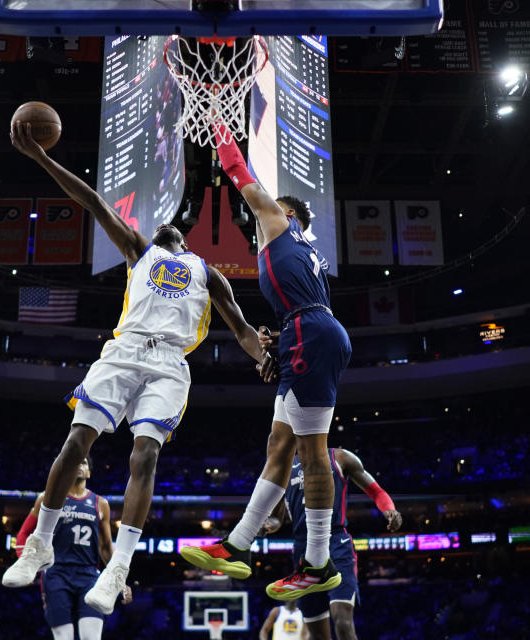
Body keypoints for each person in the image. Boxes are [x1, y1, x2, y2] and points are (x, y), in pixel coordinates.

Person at [2, 121, 270, 616]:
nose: (169, 227)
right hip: (123, 351)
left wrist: (266, 357)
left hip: (170, 364)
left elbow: (243, 330)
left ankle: (119, 565)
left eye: (177, 229)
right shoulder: (138, 250)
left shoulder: (207, 273)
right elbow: (92, 200)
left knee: (144, 455)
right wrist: (40, 157)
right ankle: (39, 542)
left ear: (187, 244)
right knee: (75, 442)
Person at [180, 124, 352, 600]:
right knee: (280, 443)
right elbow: (310, 305)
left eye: (273, 205)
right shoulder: (301, 251)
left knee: (313, 453)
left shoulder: (280, 223)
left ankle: (318, 563)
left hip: (311, 334)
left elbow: (238, 171)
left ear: (287, 212)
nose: (259, 211)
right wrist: (281, 339)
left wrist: (217, 124)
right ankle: (236, 545)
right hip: (308, 330)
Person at [264, 448, 401, 640]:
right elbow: (277, 519)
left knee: (343, 623)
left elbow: (376, 491)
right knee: (318, 635)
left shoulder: (340, 458)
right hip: (304, 550)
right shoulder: (284, 468)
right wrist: (267, 524)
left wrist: (389, 510)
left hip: (336, 543)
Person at [13, 456, 132, 640]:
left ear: (89, 472)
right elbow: (23, 534)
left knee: (91, 637)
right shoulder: (47, 498)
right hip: (56, 574)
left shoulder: (100, 503)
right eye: (75, 462)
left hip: (89, 575)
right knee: (64, 638)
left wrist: (120, 580)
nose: (79, 465)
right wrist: (25, 564)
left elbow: (106, 548)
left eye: (83, 462)